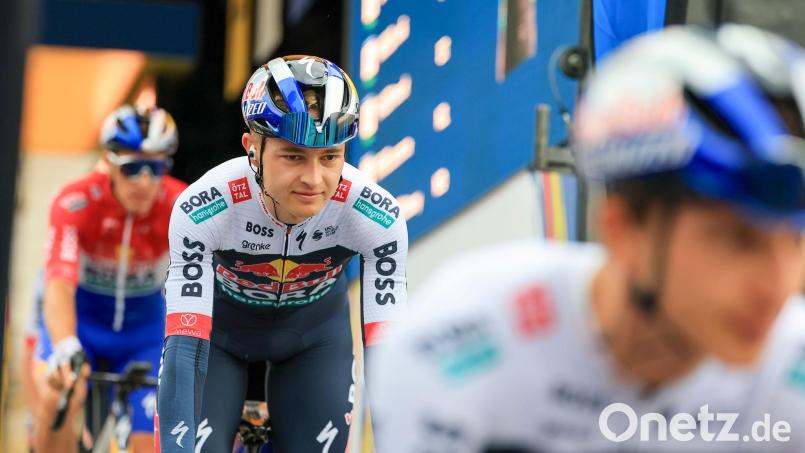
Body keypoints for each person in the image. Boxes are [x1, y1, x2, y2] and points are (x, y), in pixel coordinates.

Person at [370, 24, 805, 452]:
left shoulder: (793, 363)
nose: (779, 283)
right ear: (623, 231)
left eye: (798, 238)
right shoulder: (458, 345)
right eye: (737, 240)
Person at [156, 55, 408, 452]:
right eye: (293, 155)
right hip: (218, 338)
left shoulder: (375, 215)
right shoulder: (204, 205)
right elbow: (184, 350)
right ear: (252, 150)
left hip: (313, 340)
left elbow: (388, 355)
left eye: (330, 157)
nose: (313, 178)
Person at [34, 105, 187, 453]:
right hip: (82, 326)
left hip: (143, 334)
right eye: (132, 168)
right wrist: (65, 345)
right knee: (57, 396)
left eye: (155, 167)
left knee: (148, 442)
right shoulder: (76, 202)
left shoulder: (182, 203)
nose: (145, 181)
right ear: (110, 163)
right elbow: (58, 278)